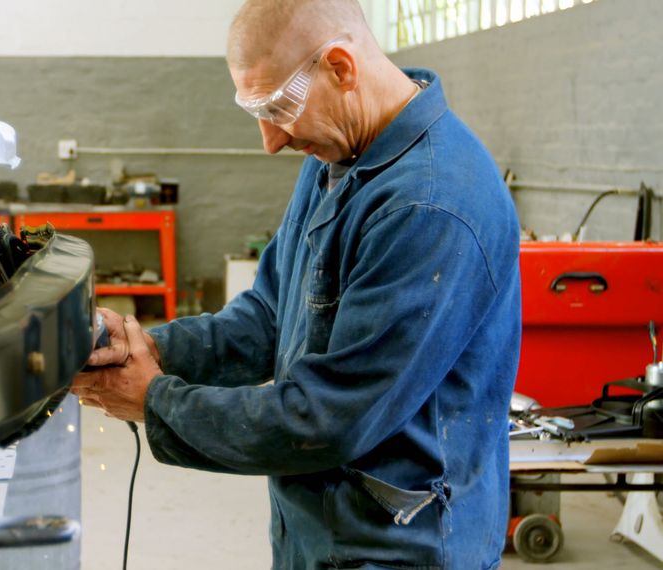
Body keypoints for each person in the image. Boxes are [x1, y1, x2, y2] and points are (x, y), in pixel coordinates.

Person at [72, 0, 521, 567]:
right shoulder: (338, 156)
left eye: (279, 107)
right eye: (255, 111)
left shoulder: (429, 206)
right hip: (321, 527)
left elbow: (330, 418)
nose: (271, 141)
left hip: (399, 545)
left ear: (341, 67)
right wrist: (149, 348)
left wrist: (155, 400)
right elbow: (269, 314)